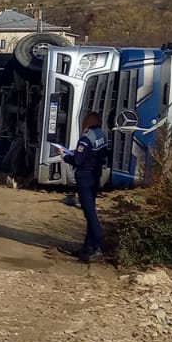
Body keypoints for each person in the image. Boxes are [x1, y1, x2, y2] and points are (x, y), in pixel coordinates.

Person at [63, 110, 108, 262]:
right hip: (95, 176)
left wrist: (64, 156)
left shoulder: (86, 138)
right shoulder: (101, 135)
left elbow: (78, 161)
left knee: (89, 213)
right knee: (91, 210)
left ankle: (96, 246)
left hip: (85, 178)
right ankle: (88, 246)